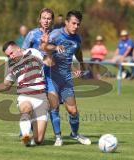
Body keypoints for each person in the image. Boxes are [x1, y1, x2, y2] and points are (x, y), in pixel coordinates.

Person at [0, 41, 49, 146]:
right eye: (8, 55)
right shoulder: (11, 65)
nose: (11, 56)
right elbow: (6, 85)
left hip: (41, 96)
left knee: (38, 140)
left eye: (12, 53)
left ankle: (31, 127)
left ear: (18, 48)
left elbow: (48, 61)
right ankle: (25, 135)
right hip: (25, 95)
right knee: (26, 108)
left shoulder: (33, 52)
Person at [40, 10, 91, 145]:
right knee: (54, 106)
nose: (76, 26)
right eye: (73, 23)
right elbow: (43, 46)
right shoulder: (56, 34)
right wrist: (55, 47)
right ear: (67, 23)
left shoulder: (77, 38)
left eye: (78, 24)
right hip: (51, 76)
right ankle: (58, 137)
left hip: (66, 78)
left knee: (73, 111)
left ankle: (75, 134)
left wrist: (81, 65)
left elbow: (78, 51)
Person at [22, 8, 64, 146]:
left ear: (52, 20)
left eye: (49, 18)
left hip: (51, 75)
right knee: (33, 105)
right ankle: (28, 132)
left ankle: (58, 137)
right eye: (44, 18)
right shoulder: (32, 34)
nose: (46, 21)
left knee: (54, 104)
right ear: (39, 19)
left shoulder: (57, 35)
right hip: (34, 77)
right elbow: (23, 53)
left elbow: (61, 53)